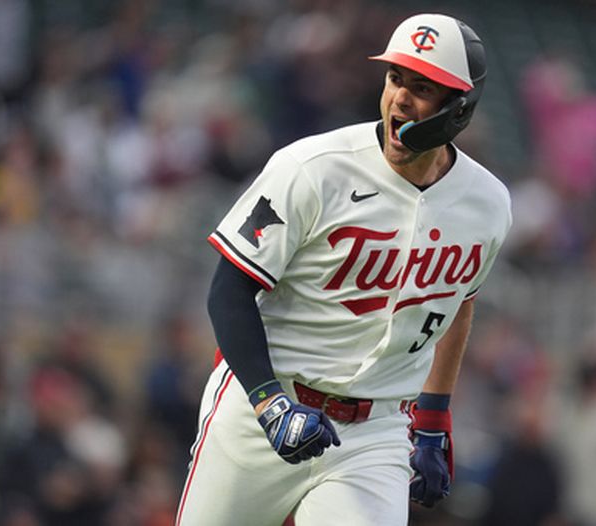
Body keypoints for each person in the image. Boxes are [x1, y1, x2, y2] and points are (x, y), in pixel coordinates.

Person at [175, 13, 512, 526]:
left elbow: (456, 302)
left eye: (422, 87)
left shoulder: (487, 203)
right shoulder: (313, 167)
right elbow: (229, 290)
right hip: (262, 404)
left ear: (459, 108)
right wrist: (269, 404)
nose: (401, 97)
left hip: (374, 433)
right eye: (396, 78)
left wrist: (434, 415)